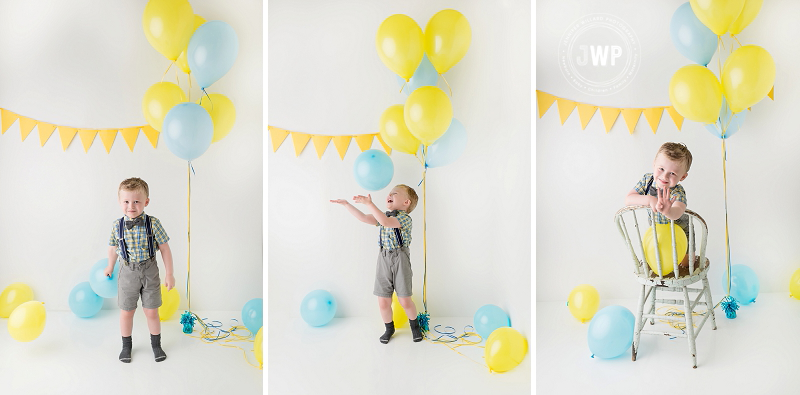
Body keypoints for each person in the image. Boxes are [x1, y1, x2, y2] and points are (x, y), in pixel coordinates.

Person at [330, 184, 423, 344]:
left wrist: (369, 204)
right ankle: (389, 328)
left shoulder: (404, 219)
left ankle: (415, 327)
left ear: (406, 202)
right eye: (389, 192)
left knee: (405, 301)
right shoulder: (384, 216)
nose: (389, 194)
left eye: (395, 193)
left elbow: (386, 222)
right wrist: (347, 205)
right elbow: (364, 218)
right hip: (383, 258)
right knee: (383, 301)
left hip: (400, 258)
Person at [104, 177, 174, 362]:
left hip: (150, 270)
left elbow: (165, 248)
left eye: (136, 201)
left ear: (146, 202)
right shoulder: (116, 226)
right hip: (127, 272)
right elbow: (112, 248)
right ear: (120, 202)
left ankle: (156, 345)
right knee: (127, 311)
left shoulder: (153, 223)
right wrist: (110, 265)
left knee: (151, 311)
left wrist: (169, 274)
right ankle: (126, 346)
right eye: (126, 201)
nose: (131, 206)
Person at [625, 142, 694, 270]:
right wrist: (649, 199)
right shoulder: (647, 180)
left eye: (673, 173)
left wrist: (668, 211)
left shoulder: (677, 192)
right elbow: (628, 199)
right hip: (656, 232)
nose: (665, 176)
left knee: (685, 266)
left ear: (682, 176)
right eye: (661, 169)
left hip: (680, 232)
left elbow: (678, 211)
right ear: (654, 164)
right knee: (657, 258)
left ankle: (683, 261)